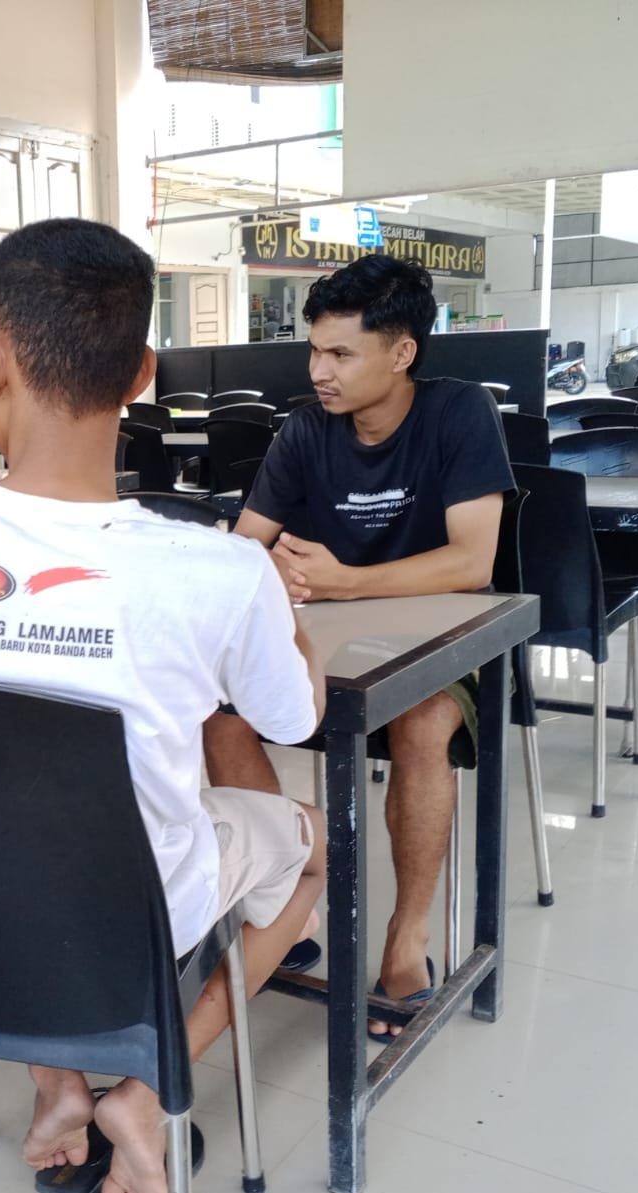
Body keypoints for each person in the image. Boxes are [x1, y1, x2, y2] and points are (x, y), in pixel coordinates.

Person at [0, 219, 327, 1193]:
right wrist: (286, 612)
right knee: (311, 846)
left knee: (3, 836)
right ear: (142, 375)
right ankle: (150, 1085)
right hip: (126, 920)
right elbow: (295, 720)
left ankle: (58, 1084)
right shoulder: (220, 567)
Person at [203, 254, 513, 1040]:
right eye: (315, 351)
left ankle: (406, 938)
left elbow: (472, 562)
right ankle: (285, 906)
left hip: (440, 639)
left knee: (423, 721)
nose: (319, 372)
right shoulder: (307, 429)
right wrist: (256, 567)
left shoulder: (458, 412)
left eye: (341, 353)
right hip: (331, 644)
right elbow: (245, 545)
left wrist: (345, 584)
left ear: (402, 351)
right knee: (221, 714)